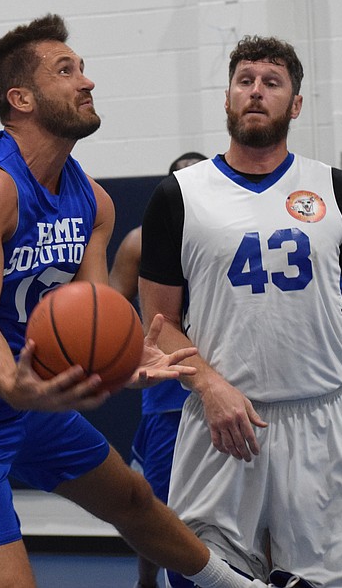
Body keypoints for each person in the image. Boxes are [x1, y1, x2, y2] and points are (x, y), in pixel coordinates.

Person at [0, 14, 260, 588]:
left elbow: (96, 310)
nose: (87, 82)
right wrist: (11, 382)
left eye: (82, 69)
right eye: (67, 71)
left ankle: (240, 587)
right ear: (21, 98)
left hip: (33, 401)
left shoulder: (93, 202)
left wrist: (126, 359)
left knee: (132, 499)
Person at [138, 36, 342, 588]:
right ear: (227, 98)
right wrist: (207, 383)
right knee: (205, 578)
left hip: (321, 421)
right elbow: (157, 326)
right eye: (244, 80)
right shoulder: (177, 197)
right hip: (221, 423)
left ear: (295, 104)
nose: (256, 91)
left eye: (271, 83)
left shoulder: (337, 191)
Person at [109, 151, 207, 588]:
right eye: (180, 181)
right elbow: (109, 310)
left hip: (226, 387)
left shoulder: (231, 234)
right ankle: (147, 581)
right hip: (167, 398)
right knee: (159, 505)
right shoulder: (140, 241)